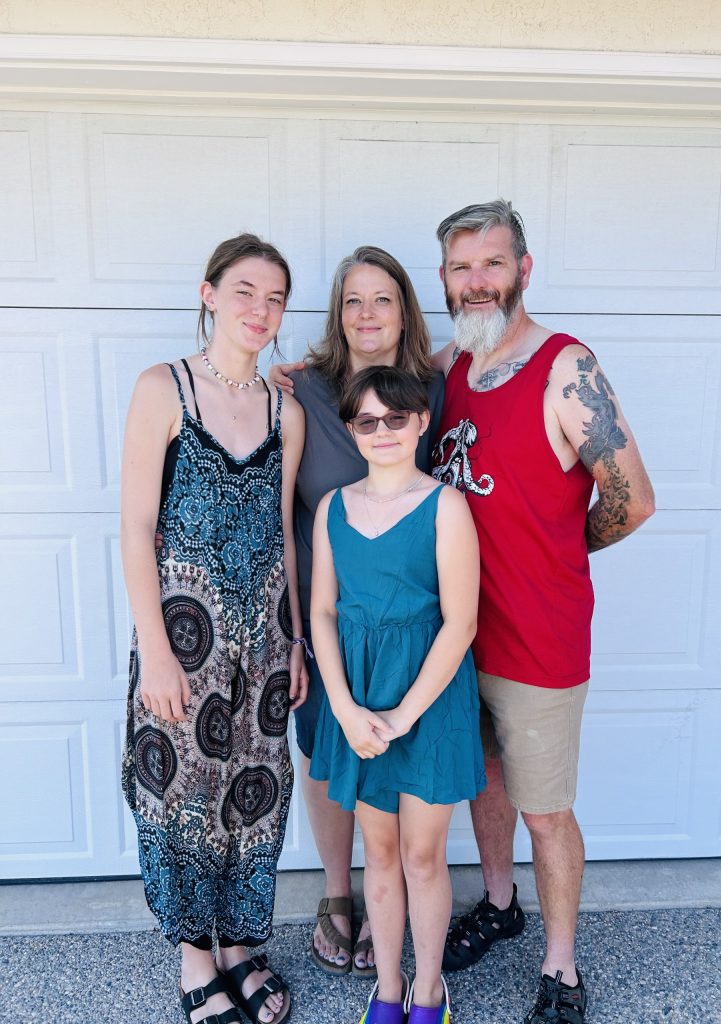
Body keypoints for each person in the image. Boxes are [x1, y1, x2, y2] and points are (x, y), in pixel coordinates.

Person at [430, 200, 655, 1024]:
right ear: (445, 280)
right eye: (461, 267)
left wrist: (559, 546)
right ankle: (499, 904)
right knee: (483, 783)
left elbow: (633, 501)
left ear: (524, 269)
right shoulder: (453, 367)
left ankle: (560, 968)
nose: (477, 281)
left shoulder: (566, 366)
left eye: (492, 263)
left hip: (539, 637)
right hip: (456, 638)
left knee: (546, 810)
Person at [121, 233, 307, 1024]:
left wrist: (295, 640)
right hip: (183, 643)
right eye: (244, 291)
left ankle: (238, 945)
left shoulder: (286, 412)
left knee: (253, 797)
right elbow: (134, 527)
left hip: (264, 643)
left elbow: (284, 531)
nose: (259, 310)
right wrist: (156, 653)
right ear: (208, 294)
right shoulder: (164, 389)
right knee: (184, 796)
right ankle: (196, 961)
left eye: (274, 298)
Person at [269, 246, 444, 976]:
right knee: (329, 750)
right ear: (336, 316)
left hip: (421, 623)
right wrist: (296, 634)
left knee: (408, 753)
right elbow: (281, 510)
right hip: (331, 621)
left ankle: (394, 900)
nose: (367, 315)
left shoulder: (439, 386)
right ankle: (340, 894)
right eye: (352, 301)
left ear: (405, 309)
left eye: (382, 299)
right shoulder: (302, 390)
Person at [309, 365, 485, 1024]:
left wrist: (401, 716)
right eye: (367, 421)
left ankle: (429, 991)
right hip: (356, 698)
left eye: (395, 418)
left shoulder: (445, 506)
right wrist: (349, 710)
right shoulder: (334, 507)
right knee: (377, 852)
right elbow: (322, 613)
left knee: (421, 853)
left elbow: (461, 622)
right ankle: (387, 989)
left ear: (417, 423)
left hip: (428, 702)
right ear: (353, 429)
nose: (382, 431)